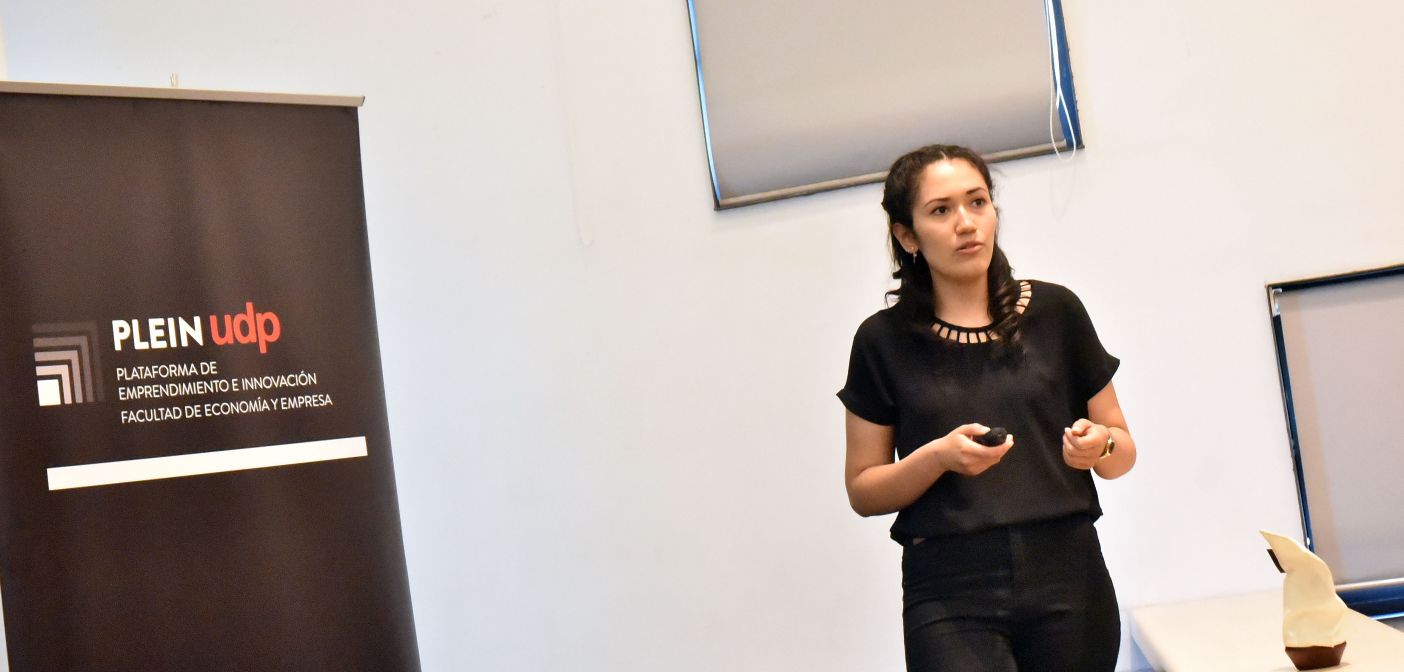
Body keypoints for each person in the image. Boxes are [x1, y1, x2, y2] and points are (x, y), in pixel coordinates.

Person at [838, 144, 1137, 672]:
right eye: (940, 210)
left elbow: (1122, 453)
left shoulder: (1057, 312)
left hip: (1068, 574)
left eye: (977, 202)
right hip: (949, 588)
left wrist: (1100, 445)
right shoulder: (881, 341)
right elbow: (863, 490)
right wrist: (937, 458)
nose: (965, 223)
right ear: (907, 236)